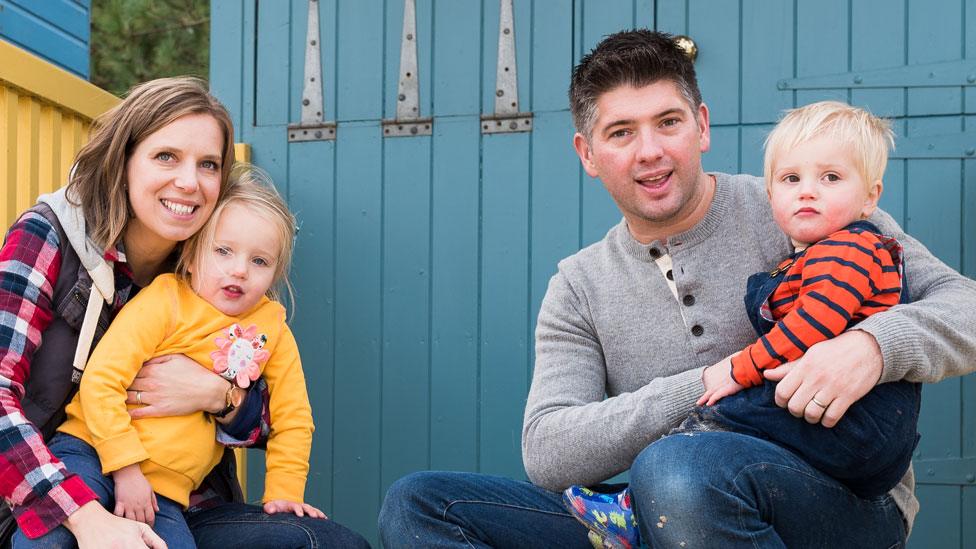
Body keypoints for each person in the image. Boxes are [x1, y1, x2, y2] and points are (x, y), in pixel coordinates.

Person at [377, 30, 976, 548]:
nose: (651, 152)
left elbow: (965, 310)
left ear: (702, 126)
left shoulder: (801, 205)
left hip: (842, 505)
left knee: (677, 471)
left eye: (668, 122)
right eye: (620, 132)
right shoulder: (579, 286)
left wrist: (872, 347)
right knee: (421, 504)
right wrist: (705, 386)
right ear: (588, 153)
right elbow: (549, 451)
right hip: (656, 511)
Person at [0, 77, 368, 549]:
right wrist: (86, 517)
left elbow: (277, 419)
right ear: (125, 159)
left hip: (177, 498)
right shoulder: (51, 235)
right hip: (57, 481)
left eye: (208, 164)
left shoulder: (218, 265)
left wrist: (217, 395)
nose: (189, 182)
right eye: (166, 157)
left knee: (328, 543)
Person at [563, 101, 922, 549]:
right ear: (771, 195)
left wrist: (738, 371)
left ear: (870, 196)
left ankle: (637, 508)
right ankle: (640, 508)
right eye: (792, 179)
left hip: (855, 427)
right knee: (448, 501)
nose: (809, 191)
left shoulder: (849, 246)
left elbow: (810, 328)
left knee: (706, 433)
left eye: (831, 178)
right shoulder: (576, 282)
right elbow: (546, 450)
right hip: (808, 444)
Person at [12, 169, 318, 548]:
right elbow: (101, 379)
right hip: (89, 451)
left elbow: (294, 418)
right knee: (48, 539)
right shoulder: (165, 299)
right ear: (190, 257)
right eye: (223, 251)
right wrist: (125, 469)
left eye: (260, 261)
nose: (240, 269)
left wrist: (284, 491)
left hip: (167, 493)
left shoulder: (273, 330)